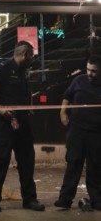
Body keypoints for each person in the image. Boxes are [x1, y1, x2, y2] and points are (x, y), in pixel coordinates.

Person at [0, 41, 45, 212]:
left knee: (27, 161)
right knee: (0, 160)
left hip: (22, 123)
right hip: (4, 123)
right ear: (24, 54)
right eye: (32, 56)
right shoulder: (3, 68)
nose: (32, 59)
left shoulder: (23, 71)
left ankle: (29, 199)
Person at [54, 55, 101, 211]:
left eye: (93, 71)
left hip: (96, 133)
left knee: (95, 167)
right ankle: (65, 199)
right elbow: (67, 96)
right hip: (77, 131)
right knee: (73, 164)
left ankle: (97, 200)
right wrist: (62, 113)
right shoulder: (79, 80)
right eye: (88, 69)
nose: (89, 73)